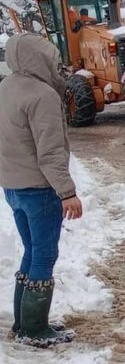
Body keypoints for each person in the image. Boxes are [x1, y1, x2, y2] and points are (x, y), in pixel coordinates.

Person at [0, 34, 82, 348]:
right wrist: (67, 192)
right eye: (52, 58)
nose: (56, 64)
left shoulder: (5, 88)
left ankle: (24, 324)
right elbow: (49, 153)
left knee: (31, 251)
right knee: (44, 255)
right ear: (39, 58)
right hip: (39, 189)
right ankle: (34, 328)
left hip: (13, 188)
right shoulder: (42, 95)